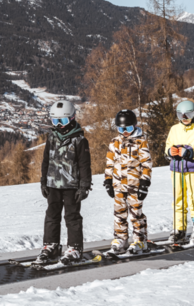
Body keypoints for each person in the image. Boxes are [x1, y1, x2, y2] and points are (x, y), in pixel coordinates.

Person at [35, 100, 92, 266]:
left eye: (63, 121)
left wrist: (84, 186)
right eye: (55, 121)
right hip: (53, 184)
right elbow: (46, 160)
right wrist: (43, 181)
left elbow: (84, 165)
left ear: (72, 118)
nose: (59, 125)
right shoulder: (52, 137)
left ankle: (74, 248)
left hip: (71, 186)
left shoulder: (79, 140)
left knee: (72, 216)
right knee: (51, 215)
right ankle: (51, 246)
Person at [103, 109, 152, 255]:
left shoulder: (141, 142)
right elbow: (109, 163)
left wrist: (144, 183)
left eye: (128, 129)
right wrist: (108, 180)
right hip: (118, 185)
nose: (125, 132)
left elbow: (146, 164)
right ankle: (120, 239)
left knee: (136, 214)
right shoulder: (114, 142)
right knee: (119, 213)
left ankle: (140, 240)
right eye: (121, 129)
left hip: (134, 185)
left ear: (135, 126)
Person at [165, 99, 194, 247]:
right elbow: (167, 146)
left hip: (192, 169)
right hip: (177, 169)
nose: (185, 118)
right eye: (181, 115)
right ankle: (179, 228)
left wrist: (190, 153)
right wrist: (170, 151)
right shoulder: (174, 129)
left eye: (188, 115)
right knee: (178, 199)